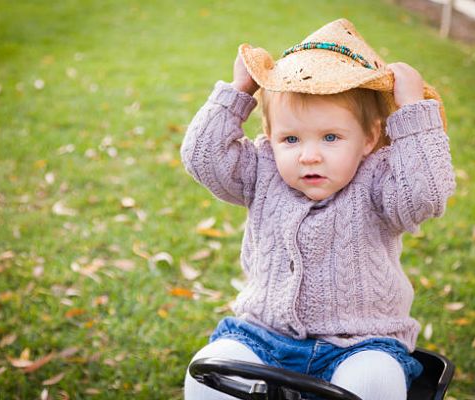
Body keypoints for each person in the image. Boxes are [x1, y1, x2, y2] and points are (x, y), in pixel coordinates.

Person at [181, 18, 455, 400]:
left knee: (374, 382)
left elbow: (426, 194)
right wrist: (237, 92)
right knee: (207, 373)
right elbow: (202, 158)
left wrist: (413, 111)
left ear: (369, 139)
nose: (309, 156)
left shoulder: (380, 181)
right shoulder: (261, 170)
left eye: (331, 137)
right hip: (263, 335)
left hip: (361, 342)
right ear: (271, 138)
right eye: (290, 138)